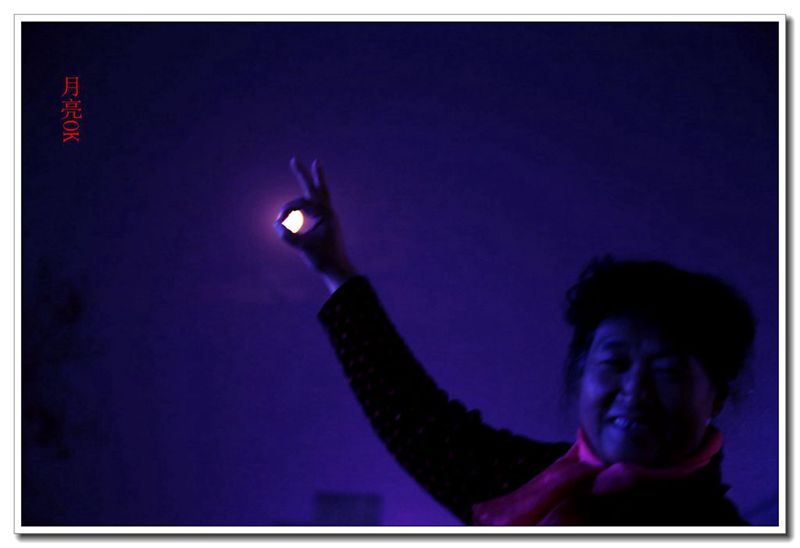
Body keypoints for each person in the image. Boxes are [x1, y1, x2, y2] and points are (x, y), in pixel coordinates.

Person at [273, 157, 755, 526]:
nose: (635, 390)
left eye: (667, 371)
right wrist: (334, 268)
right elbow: (414, 415)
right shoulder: (528, 482)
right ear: (581, 374)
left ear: (716, 396)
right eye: (614, 363)